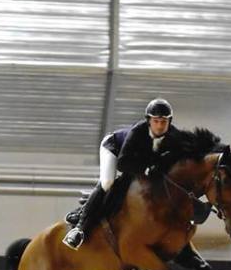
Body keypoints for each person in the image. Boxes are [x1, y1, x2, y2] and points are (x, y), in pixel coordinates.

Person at [63, 98, 183, 250]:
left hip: (139, 160)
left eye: (164, 121)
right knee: (108, 182)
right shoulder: (138, 132)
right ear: (148, 120)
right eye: (156, 121)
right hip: (115, 149)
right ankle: (79, 229)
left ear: (169, 122)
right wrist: (146, 169)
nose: (159, 126)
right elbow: (123, 163)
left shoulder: (176, 137)